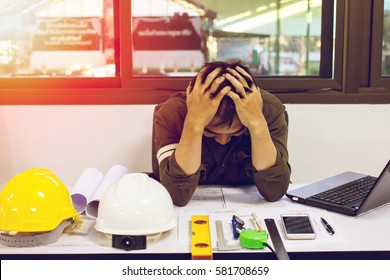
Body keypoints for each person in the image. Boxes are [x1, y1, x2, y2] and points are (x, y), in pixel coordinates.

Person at [153, 60, 291, 206]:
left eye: (235, 133)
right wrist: (194, 123)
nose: (223, 140)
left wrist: (257, 125)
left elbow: (275, 191)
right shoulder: (172, 114)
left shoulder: (269, 111)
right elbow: (177, 195)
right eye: (211, 132)